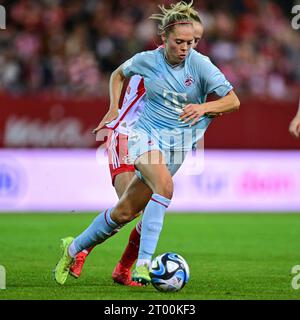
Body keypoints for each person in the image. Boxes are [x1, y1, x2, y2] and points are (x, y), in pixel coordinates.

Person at [54, 1, 240, 286]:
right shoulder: (148, 61)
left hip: (177, 145)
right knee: (163, 186)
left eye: (193, 42)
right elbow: (118, 74)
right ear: (163, 38)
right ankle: (142, 264)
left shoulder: (200, 64)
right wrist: (114, 108)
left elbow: (233, 101)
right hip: (135, 135)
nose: (187, 47)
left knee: (126, 211)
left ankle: (74, 248)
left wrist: (204, 108)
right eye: (180, 41)